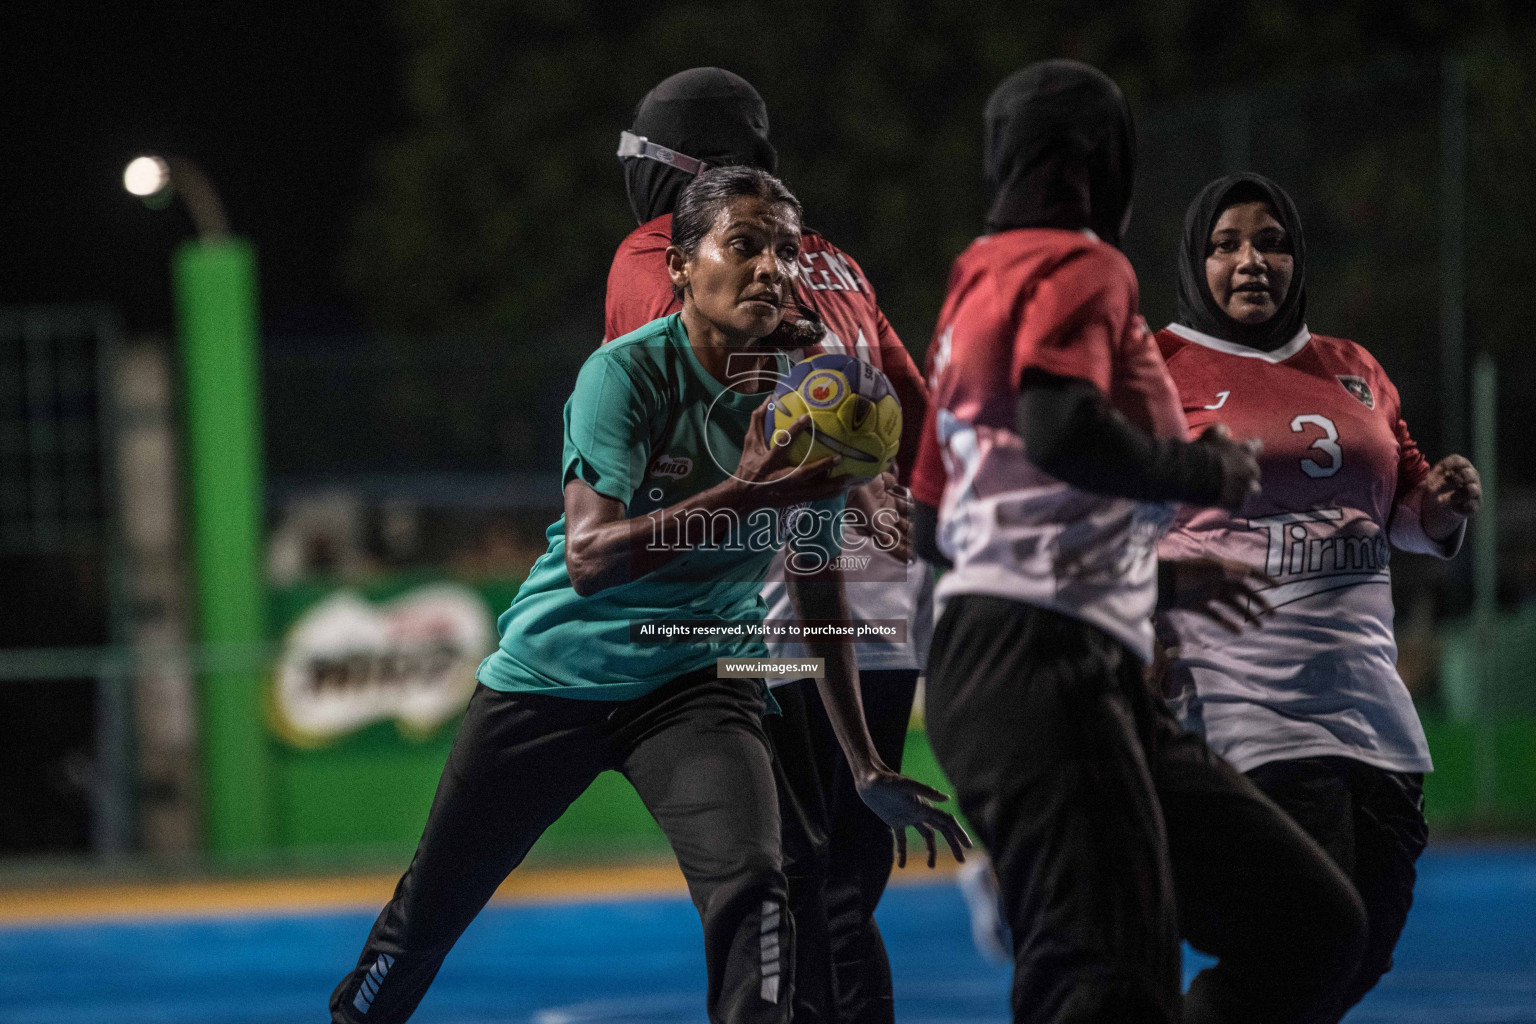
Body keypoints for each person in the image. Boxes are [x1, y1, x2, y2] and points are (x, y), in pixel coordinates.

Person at [329, 166, 966, 1024]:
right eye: (743, 245)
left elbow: (817, 584)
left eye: (784, 250)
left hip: (697, 680)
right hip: (553, 677)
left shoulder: (811, 393)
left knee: (758, 888)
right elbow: (592, 558)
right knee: (429, 916)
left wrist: (862, 764)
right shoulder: (623, 376)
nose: (770, 269)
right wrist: (746, 497)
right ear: (681, 267)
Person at [912, 60, 1369, 1024]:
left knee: (1308, 920)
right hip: (1046, 672)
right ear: (1101, 160)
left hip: (1043, 664)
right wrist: (1207, 472)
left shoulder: (974, 281)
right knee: (1106, 978)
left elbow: (942, 516)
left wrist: (1145, 579)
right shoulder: (1081, 263)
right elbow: (1060, 429)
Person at [607, 68, 938, 1024]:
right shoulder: (834, 261)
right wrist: (886, 483)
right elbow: (918, 417)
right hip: (879, 597)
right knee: (843, 873)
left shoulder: (663, 248)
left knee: (788, 880)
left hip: (772, 588)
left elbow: (708, 363)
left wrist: (852, 474)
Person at [1154, 171, 1482, 1022]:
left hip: (1370, 706)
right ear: (1195, 261)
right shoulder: (1156, 366)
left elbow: (1403, 507)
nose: (1251, 260)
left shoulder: (1352, 366)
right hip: (1242, 705)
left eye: (1272, 240)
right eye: (1225, 244)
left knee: (1360, 951)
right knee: (1306, 940)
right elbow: (1105, 513)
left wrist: (1438, 506)